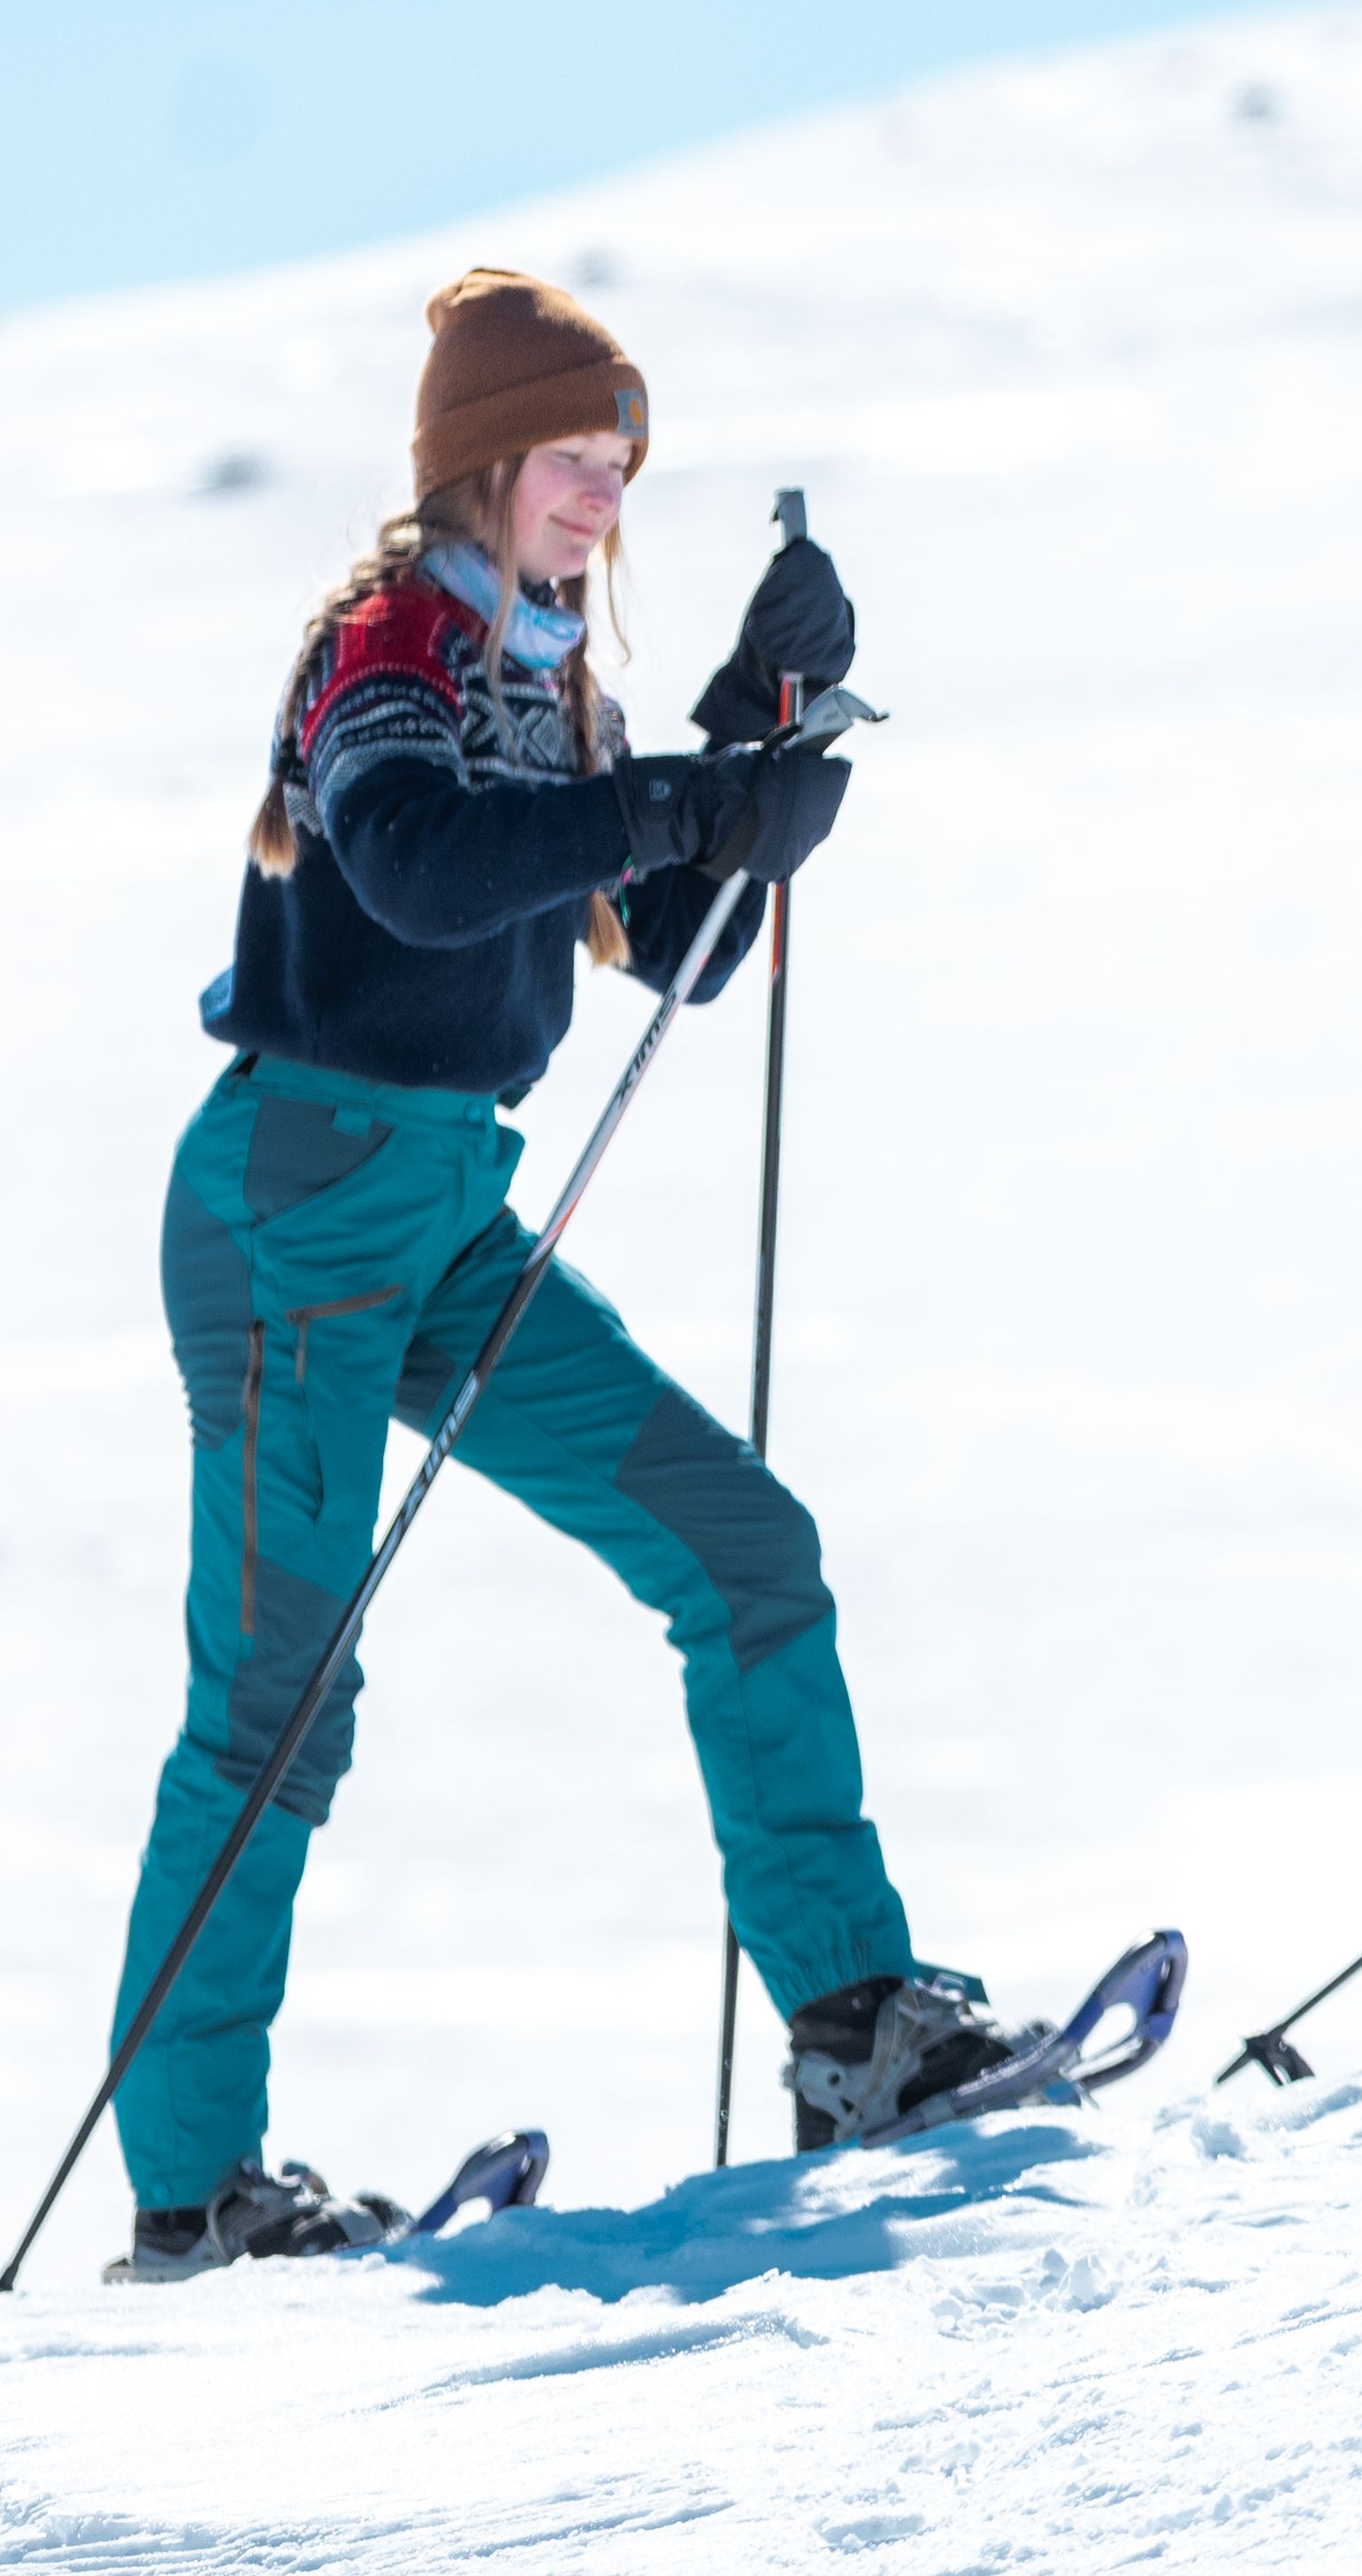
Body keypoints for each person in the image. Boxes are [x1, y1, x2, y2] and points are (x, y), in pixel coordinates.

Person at [109, 269, 1010, 2276]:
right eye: (581, 460)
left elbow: (667, 950)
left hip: (438, 1216)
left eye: (625, 467)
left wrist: (756, 752)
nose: (606, 499)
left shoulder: (545, 678)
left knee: (745, 1548)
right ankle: (191, 2193)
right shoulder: (389, 654)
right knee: (278, 1698)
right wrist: (692, 794)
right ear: (483, 460)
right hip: (289, 1207)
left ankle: (857, 2023)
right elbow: (423, 866)